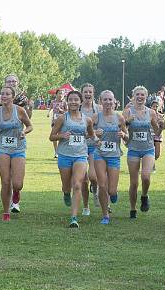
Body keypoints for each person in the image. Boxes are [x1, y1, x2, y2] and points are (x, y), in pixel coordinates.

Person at [0, 85, 33, 221]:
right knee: (5, 181)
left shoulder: (20, 111)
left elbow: (30, 126)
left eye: (7, 94)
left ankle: (16, 192)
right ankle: (6, 212)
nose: (4, 96)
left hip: (18, 149)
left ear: (13, 97)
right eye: (2, 94)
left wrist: (24, 132)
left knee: (17, 184)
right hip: (3, 149)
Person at [50, 90, 94, 228]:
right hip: (64, 155)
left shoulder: (87, 120)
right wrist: (62, 136)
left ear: (80, 102)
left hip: (80, 155)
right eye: (71, 100)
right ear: (67, 102)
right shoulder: (62, 118)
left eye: (76, 100)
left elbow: (90, 135)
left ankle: (73, 218)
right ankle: (65, 193)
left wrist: (96, 138)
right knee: (67, 185)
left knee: (77, 184)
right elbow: (52, 136)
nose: (73, 102)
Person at [123, 86, 161, 219]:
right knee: (134, 182)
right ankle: (133, 209)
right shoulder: (127, 112)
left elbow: (157, 131)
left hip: (148, 148)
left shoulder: (151, 112)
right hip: (133, 148)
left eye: (142, 95)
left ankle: (144, 196)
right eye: (137, 95)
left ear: (146, 97)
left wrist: (159, 125)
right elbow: (122, 129)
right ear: (133, 96)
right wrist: (127, 122)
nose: (140, 97)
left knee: (145, 176)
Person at [92, 90, 127, 225]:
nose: (107, 102)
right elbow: (87, 134)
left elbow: (127, 136)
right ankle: (105, 214)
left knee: (111, 190)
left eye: (110, 100)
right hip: (99, 154)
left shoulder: (119, 118)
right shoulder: (96, 117)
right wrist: (95, 133)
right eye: (105, 100)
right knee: (102, 184)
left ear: (114, 101)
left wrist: (124, 135)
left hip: (114, 155)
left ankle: (113, 193)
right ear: (101, 102)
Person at [80, 83, 100, 215]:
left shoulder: (99, 109)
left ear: (93, 94)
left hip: (93, 146)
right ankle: (86, 206)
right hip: (79, 147)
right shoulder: (76, 108)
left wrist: (98, 132)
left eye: (90, 92)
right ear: (81, 93)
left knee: (93, 176)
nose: (88, 94)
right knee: (82, 178)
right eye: (85, 92)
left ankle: (95, 188)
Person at [48, 90, 67, 158]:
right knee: (54, 136)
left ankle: (60, 151)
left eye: (62, 94)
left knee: (60, 136)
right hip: (54, 122)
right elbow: (50, 108)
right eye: (59, 93)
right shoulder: (53, 102)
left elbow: (67, 112)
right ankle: (56, 151)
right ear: (56, 94)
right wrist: (48, 113)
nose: (60, 95)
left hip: (62, 122)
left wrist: (61, 110)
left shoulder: (64, 102)